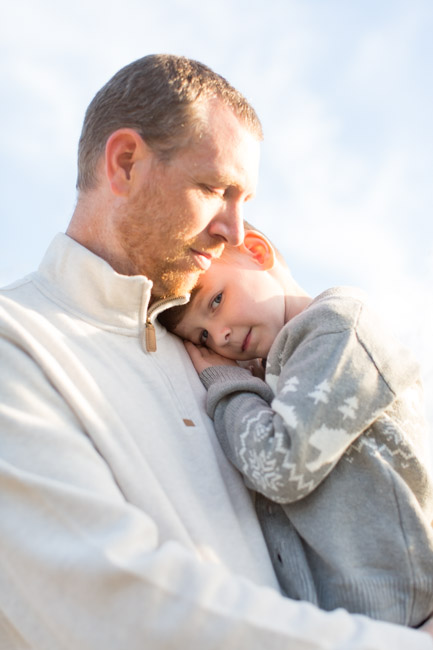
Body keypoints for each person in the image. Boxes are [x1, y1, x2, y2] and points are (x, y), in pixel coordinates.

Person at [0, 54, 432, 650]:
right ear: (126, 162)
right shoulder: (17, 344)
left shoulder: (226, 356)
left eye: (245, 200)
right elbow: (112, 608)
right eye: (214, 189)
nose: (235, 229)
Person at [161, 224, 433, 627]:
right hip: (355, 623)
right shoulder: (282, 368)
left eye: (216, 301)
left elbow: (282, 464)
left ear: (256, 252)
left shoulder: (339, 327)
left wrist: (230, 386)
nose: (220, 334)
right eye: (202, 336)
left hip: (403, 608)